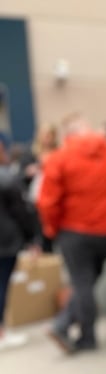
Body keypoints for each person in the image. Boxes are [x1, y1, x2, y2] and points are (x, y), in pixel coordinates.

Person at [36, 113, 106, 354]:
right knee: (87, 283)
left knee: (82, 283)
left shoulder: (60, 158)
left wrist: (51, 229)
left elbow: (48, 201)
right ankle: (77, 331)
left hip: (74, 231)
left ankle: (70, 328)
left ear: (68, 135)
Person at [0, 137, 36, 351]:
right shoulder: (6, 179)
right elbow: (22, 213)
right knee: (2, 284)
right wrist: (31, 239)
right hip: (5, 241)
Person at [16, 123, 59, 253]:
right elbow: (20, 175)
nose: (46, 139)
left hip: (55, 195)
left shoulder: (59, 151)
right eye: (43, 135)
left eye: (49, 136)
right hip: (37, 196)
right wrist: (30, 171)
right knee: (41, 230)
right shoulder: (29, 152)